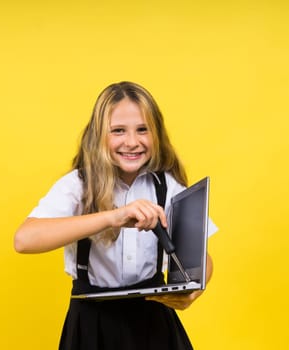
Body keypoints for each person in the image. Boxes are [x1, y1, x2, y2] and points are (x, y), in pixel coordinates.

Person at [14, 81, 218, 350]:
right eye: (118, 131)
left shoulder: (166, 186)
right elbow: (24, 240)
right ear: (99, 134)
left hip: (154, 323)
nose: (132, 142)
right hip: (92, 324)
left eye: (142, 130)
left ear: (156, 133)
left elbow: (202, 258)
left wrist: (195, 289)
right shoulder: (78, 185)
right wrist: (114, 217)